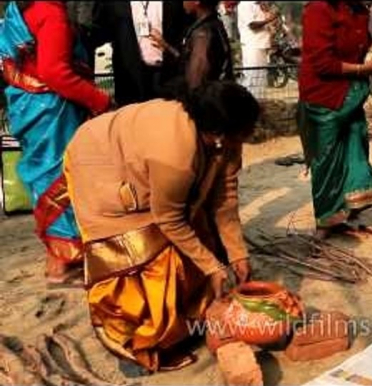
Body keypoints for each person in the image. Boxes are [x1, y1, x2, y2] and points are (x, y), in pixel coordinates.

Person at [64, 80, 258, 372]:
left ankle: (184, 323)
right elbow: (170, 218)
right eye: (245, 133)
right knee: (150, 256)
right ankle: (136, 341)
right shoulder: (175, 154)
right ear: (219, 134)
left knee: (200, 238)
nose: (249, 137)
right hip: (98, 165)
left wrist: (237, 253)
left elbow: (224, 196)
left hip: (147, 170)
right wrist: (213, 266)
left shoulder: (224, 136)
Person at [0, 1, 110, 285]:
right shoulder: (52, 14)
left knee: (46, 181)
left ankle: (59, 258)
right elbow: (55, 72)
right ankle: (62, 263)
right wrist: (100, 100)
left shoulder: (22, 8)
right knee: (60, 181)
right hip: (51, 111)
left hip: (27, 105)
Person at [298, 1, 372, 239]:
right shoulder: (319, 9)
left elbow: (364, 46)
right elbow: (322, 63)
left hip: (350, 94)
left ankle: (348, 213)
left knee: (355, 148)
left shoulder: (360, 10)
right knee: (326, 160)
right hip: (323, 96)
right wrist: (364, 70)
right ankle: (326, 220)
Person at [91, 2, 191, 106]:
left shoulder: (176, 5)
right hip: (130, 84)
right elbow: (97, 33)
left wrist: (171, 50)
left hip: (170, 79)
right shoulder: (112, 5)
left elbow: (189, 31)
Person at [151, 0, 234, 88]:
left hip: (208, 99)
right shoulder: (212, 24)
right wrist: (166, 46)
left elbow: (195, 85)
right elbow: (188, 59)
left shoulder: (202, 34)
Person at [237, 1, 278, 98]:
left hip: (262, 44)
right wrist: (269, 19)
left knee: (261, 76)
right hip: (252, 45)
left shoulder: (260, 4)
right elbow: (252, 25)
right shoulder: (245, 4)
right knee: (252, 76)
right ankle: (250, 101)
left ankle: (259, 101)